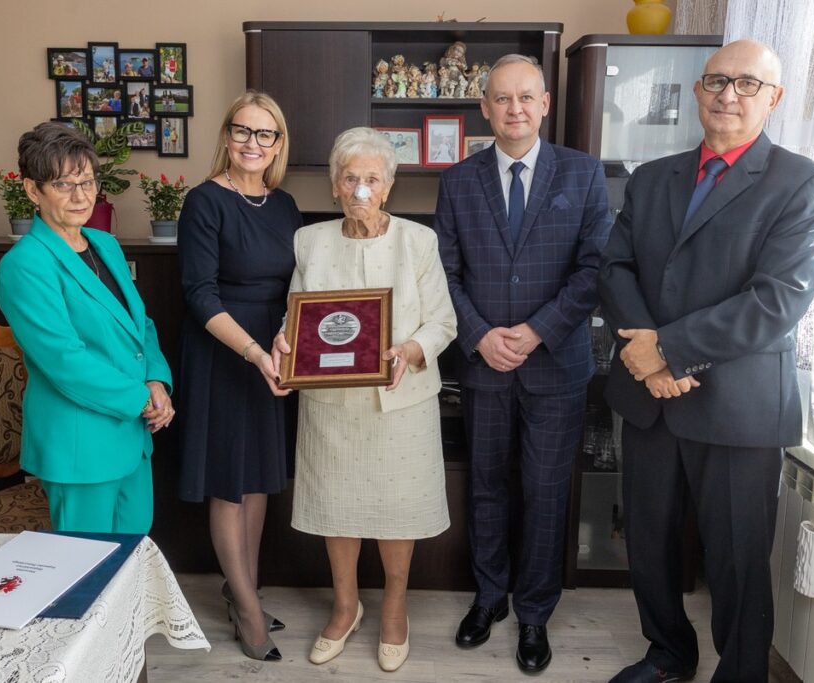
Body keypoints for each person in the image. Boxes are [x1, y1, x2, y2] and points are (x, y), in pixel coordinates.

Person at [598, 40, 814, 683]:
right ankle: (667, 655)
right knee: (647, 542)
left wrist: (667, 349)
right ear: (699, 90)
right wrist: (648, 359)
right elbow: (615, 267)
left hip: (738, 406)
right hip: (649, 398)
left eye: (747, 84)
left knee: (737, 559)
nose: (728, 94)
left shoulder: (804, 182)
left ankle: (740, 672)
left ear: (774, 98)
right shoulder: (653, 177)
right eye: (716, 81)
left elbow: (777, 300)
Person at [434, 54, 611, 674]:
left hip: (556, 365)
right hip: (483, 365)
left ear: (544, 104)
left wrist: (537, 331)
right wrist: (479, 335)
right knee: (486, 485)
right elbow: (444, 273)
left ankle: (534, 612)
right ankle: (489, 597)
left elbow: (594, 269)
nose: (515, 109)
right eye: (502, 98)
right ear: (485, 108)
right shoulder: (458, 182)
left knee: (545, 491)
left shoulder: (583, 173)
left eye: (525, 97)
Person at [271, 127, 457, 672]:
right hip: (332, 406)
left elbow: (443, 321)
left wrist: (412, 349)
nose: (360, 189)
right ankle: (346, 605)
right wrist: (285, 341)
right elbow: (297, 316)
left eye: (372, 179)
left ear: (388, 187)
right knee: (338, 509)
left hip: (401, 402)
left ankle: (395, 607)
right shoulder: (311, 241)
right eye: (350, 178)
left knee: (398, 511)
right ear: (334, 186)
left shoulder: (418, 241)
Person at [0, 122, 174, 534]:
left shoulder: (104, 244)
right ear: (32, 190)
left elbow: (140, 324)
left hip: (131, 435)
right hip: (80, 445)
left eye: (88, 181)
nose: (81, 196)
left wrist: (156, 380)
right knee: (87, 564)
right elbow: (64, 360)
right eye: (64, 184)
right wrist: (140, 398)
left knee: (132, 554)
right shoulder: (24, 265)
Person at [176, 91, 301, 663]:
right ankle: (249, 610)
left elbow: (298, 288)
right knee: (229, 480)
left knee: (258, 478)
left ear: (278, 143)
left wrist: (285, 343)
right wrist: (254, 352)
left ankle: (241, 589)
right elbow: (200, 294)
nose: (253, 143)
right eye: (242, 131)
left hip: (274, 350)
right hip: (225, 352)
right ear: (227, 136)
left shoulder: (286, 205)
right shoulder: (204, 201)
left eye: (264, 133)